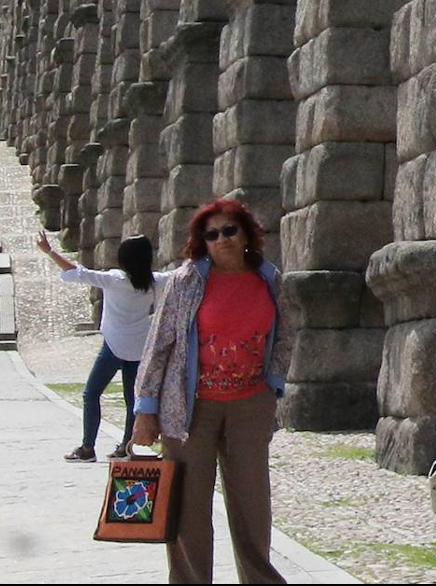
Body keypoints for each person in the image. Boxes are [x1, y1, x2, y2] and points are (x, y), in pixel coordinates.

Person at [131, 198, 291, 584]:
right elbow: (158, 345)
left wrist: (273, 384)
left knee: (253, 506)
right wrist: (145, 407)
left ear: (246, 233)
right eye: (212, 235)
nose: (222, 240)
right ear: (202, 242)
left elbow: (285, 335)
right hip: (189, 410)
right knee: (188, 509)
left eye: (229, 231)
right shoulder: (186, 282)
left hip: (249, 406)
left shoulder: (269, 279)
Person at [36, 232, 169, 462]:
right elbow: (181, 274)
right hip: (139, 347)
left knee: (91, 393)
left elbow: (77, 273)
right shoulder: (154, 281)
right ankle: (126, 446)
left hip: (113, 346)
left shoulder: (114, 279)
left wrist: (49, 251)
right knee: (132, 401)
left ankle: (87, 447)